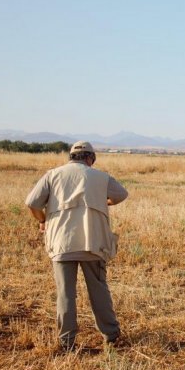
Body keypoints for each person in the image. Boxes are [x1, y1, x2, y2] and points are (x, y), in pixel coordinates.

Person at [25, 141, 128, 350]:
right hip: (93, 243)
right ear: (90, 158)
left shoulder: (52, 175)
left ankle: (67, 342)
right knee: (98, 290)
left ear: (71, 157)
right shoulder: (101, 177)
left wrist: (42, 220)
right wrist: (103, 202)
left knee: (65, 294)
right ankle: (111, 335)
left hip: (62, 243)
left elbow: (32, 202)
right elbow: (121, 195)